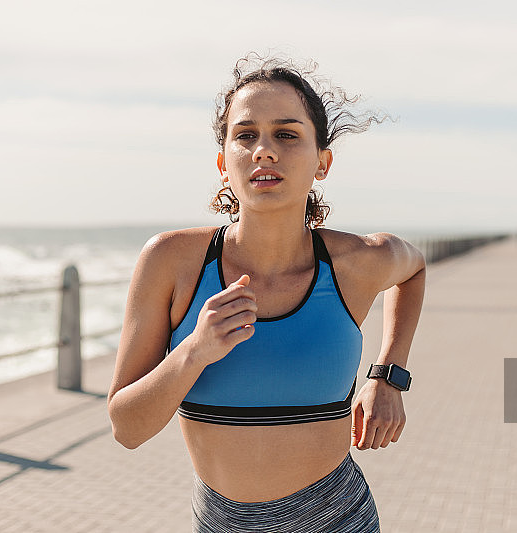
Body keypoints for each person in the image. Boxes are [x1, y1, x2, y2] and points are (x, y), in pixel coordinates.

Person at [107, 55, 426, 533]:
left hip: (338, 519)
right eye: (245, 135)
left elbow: (414, 269)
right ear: (223, 164)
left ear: (322, 163)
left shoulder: (355, 262)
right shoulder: (172, 262)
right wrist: (193, 352)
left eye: (286, 134)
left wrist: (389, 376)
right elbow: (127, 429)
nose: (264, 151)